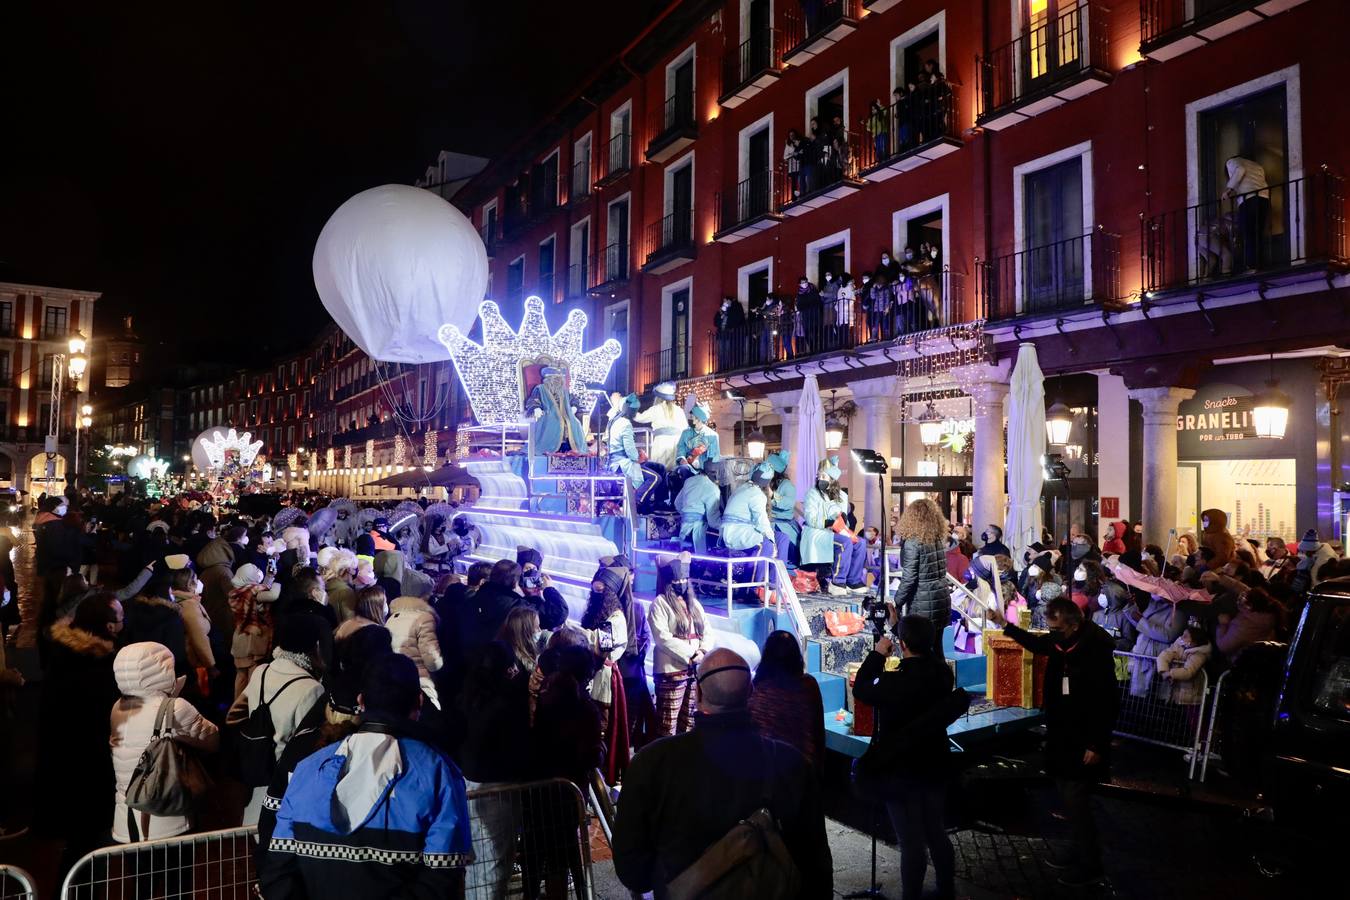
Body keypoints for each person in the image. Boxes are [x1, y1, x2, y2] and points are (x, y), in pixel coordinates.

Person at [611, 648, 833, 899]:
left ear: (698, 693)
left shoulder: (652, 762)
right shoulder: (792, 763)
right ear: (751, 693)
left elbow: (632, 871)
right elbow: (817, 868)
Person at [260, 654, 473, 897]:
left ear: (360, 701)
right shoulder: (439, 771)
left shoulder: (309, 767)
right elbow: (443, 874)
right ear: (419, 701)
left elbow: (278, 870)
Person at [988, 597, 1118, 887]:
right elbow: (1038, 644)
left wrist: (1096, 744)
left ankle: (1091, 863)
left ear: (1072, 624)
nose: (1052, 632)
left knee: (1077, 799)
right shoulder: (1062, 643)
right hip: (1062, 732)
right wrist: (1003, 624)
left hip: (1084, 737)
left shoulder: (1094, 650)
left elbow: (1107, 702)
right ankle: (1077, 849)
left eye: (1056, 627)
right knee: (1068, 796)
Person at [851, 615, 959, 900]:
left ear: (902, 644)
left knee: (911, 841)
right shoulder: (942, 674)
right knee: (935, 831)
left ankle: (911, 895)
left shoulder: (894, 682)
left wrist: (876, 655)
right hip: (934, 762)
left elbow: (861, 688)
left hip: (902, 768)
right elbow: (928, 661)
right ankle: (946, 890)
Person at [36, 593, 123, 874]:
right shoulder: (93, 666)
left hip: (65, 767)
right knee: (84, 849)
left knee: (82, 847)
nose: (124, 622)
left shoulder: (65, 654)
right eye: (120, 618)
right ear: (108, 626)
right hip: (84, 770)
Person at [111, 642, 220, 846]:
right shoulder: (175, 707)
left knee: (142, 877)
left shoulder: (118, 707)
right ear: (163, 670)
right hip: (170, 818)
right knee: (177, 876)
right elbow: (212, 740)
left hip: (128, 819)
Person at [227, 615, 327, 826]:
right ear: (315, 645)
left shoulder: (261, 672)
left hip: (257, 770)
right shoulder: (311, 688)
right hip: (284, 782)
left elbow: (234, 714)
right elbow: (306, 747)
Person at [457, 641, 531, 900]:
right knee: (494, 863)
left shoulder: (469, 696)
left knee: (475, 860)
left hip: (469, 784)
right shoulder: (506, 704)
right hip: (498, 789)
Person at [747, 630, 826, 776]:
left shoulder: (755, 687)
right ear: (796, 657)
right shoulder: (808, 685)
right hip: (799, 770)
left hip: (765, 773)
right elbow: (818, 731)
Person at [649, 553, 707, 737]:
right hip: (671, 672)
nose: (681, 582)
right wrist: (691, 654)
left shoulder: (695, 604)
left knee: (689, 723)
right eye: (677, 579)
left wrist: (702, 651)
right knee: (668, 725)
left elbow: (708, 631)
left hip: (693, 671)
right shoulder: (660, 603)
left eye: (684, 578)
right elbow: (662, 637)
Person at [894, 498, 954, 659]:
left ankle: (925, 684)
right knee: (937, 649)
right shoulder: (936, 539)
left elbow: (909, 577)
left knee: (921, 653)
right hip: (941, 597)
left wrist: (897, 601)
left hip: (923, 601)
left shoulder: (913, 542)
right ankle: (944, 683)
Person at [801, 459, 863, 595]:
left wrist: (843, 519)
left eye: (824, 476)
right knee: (844, 543)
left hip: (836, 530)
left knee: (860, 542)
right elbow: (810, 518)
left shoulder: (842, 496)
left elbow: (843, 518)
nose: (820, 479)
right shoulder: (812, 493)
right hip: (817, 532)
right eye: (819, 476)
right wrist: (829, 522)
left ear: (832, 478)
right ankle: (837, 582)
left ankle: (853, 580)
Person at [387, 585, 446, 709]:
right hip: (420, 682)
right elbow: (432, 662)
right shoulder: (425, 618)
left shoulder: (393, 616)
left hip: (395, 679)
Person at [229, 563, 281, 697]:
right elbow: (272, 595)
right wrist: (278, 581)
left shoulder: (237, 593)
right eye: (256, 571)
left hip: (239, 639)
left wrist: (269, 577)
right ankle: (250, 709)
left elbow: (257, 592)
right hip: (253, 641)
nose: (259, 572)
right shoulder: (252, 592)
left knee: (240, 677)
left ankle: (236, 707)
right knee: (254, 679)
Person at [605, 391, 662, 514]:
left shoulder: (614, 420)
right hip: (623, 464)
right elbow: (630, 451)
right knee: (655, 478)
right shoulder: (625, 424)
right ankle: (636, 503)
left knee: (659, 467)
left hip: (615, 461)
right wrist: (641, 457)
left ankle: (650, 506)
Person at [1222, 155, 1270, 271]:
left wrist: (1228, 190)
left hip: (1249, 200)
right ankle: (1260, 264)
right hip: (1264, 198)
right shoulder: (1256, 165)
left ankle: (1252, 265)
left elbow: (1240, 170)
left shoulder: (1231, 162)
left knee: (1248, 233)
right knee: (1258, 232)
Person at [525, 366, 587, 453]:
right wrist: (536, 408)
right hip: (547, 414)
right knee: (556, 421)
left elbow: (573, 399)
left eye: (559, 379)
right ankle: (551, 447)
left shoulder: (563, 390)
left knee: (574, 422)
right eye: (555, 379)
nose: (558, 381)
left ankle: (570, 447)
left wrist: (574, 406)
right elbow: (533, 400)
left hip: (565, 413)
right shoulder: (540, 389)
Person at [1215, 587, 1282, 663]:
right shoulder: (1267, 615)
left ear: (1250, 605)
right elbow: (1238, 586)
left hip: (1238, 661)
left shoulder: (1245, 626)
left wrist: (1223, 624)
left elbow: (1223, 646)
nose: (1241, 598)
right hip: (1255, 657)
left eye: (1244, 598)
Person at [635, 381, 688, 471]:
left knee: (659, 468)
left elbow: (640, 418)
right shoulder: (679, 410)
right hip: (677, 443)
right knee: (674, 470)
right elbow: (685, 428)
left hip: (661, 442)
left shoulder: (657, 408)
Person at [674, 469, 722, 554]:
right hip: (697, 529)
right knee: (699, 558)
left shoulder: (689, 481)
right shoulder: (713, 488)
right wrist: (724, 527)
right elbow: (712, 521)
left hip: (684, 526)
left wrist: (686, 515)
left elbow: (677, 503)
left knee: (681, 557)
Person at [496, 605, 541, 675]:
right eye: (537, 627)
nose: (540, 630)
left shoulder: (528, 651)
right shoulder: (503, 655)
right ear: (525, 630)